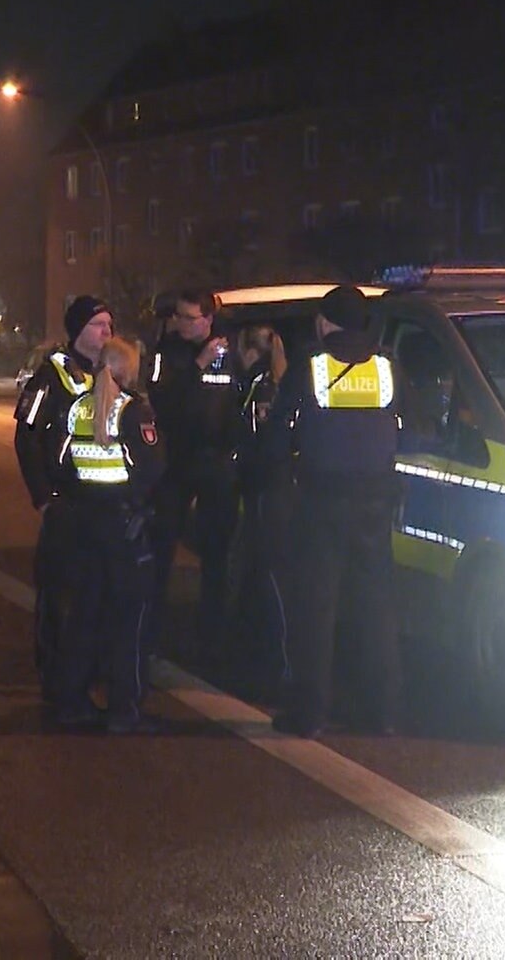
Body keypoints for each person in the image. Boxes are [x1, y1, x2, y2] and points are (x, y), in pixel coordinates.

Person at [268, 285, 404, 739]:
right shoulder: (387, 368)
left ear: (325, 323)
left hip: (321, 501)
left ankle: (309, 714)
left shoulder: (311, 367)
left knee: (316, 609)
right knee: (375, 607)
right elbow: (409, 424)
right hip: (376, 500)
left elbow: (279, 433)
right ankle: (380, 712)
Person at [48, 338, 167, 733]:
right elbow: (152, 470)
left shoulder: (77, 407)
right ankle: (124, 710)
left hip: (83, 526)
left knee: (83, 617)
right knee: (128, 623)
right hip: (124, 529)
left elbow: (60, 464)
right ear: (128, 370)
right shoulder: (134, 411)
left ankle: (71, 701)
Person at [13, 295, 113, 698]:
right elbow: (27, 436)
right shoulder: (51, 375)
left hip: (104, 504)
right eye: (98, 325)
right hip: (66, 502)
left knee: (99, 591)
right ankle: (54, 670)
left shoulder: (113, 371)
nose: (107, 332)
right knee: (59, 594)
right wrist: (43, 496)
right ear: (78, 331)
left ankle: (92, 666)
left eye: (110, 324)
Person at [144, 286, 241, 662]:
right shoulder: (166, 352)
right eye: (179, 316)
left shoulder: (231, 350)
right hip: (177, 461)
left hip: (217, 463)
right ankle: (149, 631)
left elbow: (241, 398)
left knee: (216, 554)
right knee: (161, 547)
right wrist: (198, 364)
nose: (181, 323)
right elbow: (162, 400)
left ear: (208, 319)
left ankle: (212, 638)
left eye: (189, 317)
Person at [234, 324, 293, 696]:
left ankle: (267, 656)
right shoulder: (277, 383)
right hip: (274, 489)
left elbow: (258, 442)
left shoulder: (263, 388)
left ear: (251, 353)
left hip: (266, 490)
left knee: (263, 573)